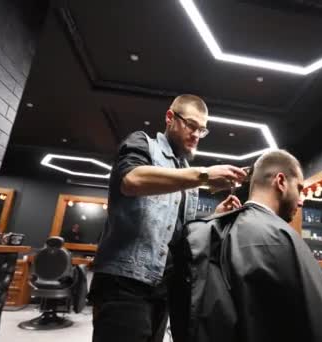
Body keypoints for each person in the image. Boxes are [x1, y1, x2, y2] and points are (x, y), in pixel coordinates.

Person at [88, 94, 247, 342]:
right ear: (170, 117)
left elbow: (179, 234)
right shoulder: (143, 143)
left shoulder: (187, 175)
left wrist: (214, 216)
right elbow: (132, 181)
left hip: (163, 289)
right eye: (191, 125)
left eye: (202, 130)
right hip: (124, 284)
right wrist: (204, 175)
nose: (196, 135)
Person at [176, 150, 322, 342]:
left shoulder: (210, 230)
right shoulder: (282, 237)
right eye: (299, 189)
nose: (301, 202)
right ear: (280, 182)